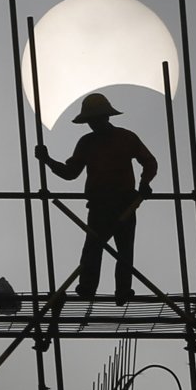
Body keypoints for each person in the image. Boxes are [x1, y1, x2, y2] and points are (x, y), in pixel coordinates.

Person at [35, 93, 157, 305]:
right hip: (100, 203)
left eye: (95, 119)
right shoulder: (87, 143)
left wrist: (144, 183)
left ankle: (122, 290)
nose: (93, 124)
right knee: (93, 247)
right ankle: (88, 289)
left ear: (105, 117)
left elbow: (149, 162)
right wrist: (47, 160)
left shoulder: (126, 137)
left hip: (124, 202)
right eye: (90, 121)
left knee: (123, 249)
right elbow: (70, 172)